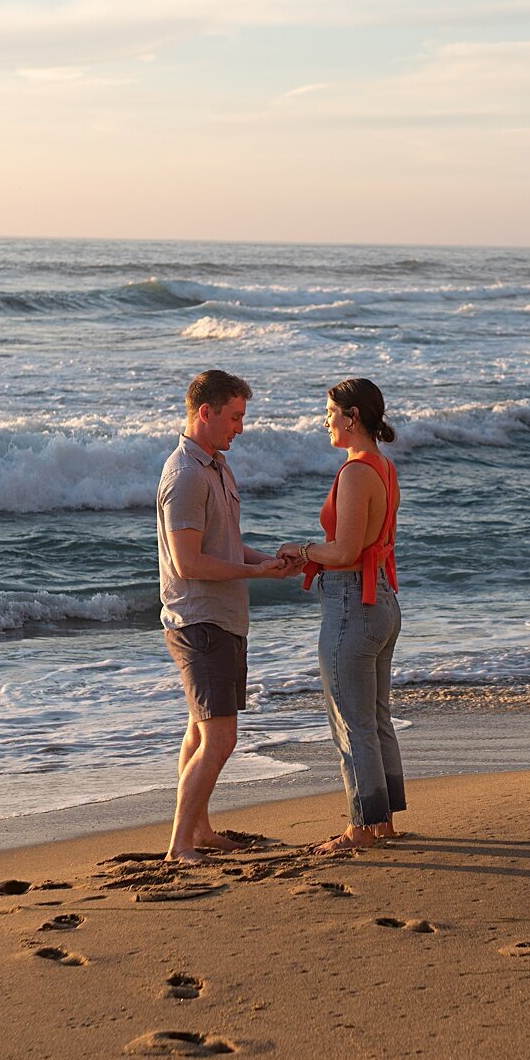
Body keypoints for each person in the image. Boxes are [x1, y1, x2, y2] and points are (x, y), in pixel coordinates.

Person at [157, 369, 290, 862]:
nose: (240, 427)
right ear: (204, 413)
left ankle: (200, 831)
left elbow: (226, 545)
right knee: (221, 737)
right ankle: (178, 846)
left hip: (224, 619)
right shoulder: (187, 474)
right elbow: (189, 562)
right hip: (200, 621)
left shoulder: (216, 466)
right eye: (234, 417)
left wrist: (264, 562)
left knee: (200, 732)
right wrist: (257, 575)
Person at [280, 378, 404, 855]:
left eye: (330, 411)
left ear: (351, 417)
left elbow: (347, 549)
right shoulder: (384, 467)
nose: (324, 419)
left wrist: (302, 549)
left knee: (352, 721)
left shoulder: (355, 473)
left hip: (354, 604)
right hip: (382, 602)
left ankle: (360, 828)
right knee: (374, 716)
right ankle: (383, 822)